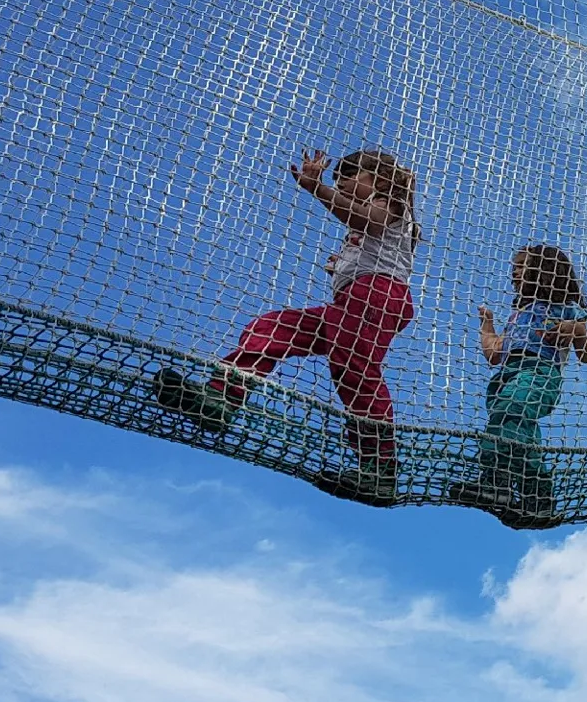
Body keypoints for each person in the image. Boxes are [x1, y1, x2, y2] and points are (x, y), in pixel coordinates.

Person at [154, 147, 419, 495]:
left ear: (381, 180)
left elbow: (364, 219)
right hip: (352, 300)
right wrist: (340, 266)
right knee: (274, 326)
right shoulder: (365, 223)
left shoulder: (393, 207)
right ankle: (221, 397)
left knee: (354, 369)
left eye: (350, 177)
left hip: (378, 296)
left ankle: (380, 466)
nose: (342, 185)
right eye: (338, 179)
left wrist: (316, 187)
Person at [471, 244, 587, 526]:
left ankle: (495, 484)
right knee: (519, 434)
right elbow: (494, 354)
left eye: (521, 265)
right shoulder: (518, 315)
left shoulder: (566, 310)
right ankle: (539, 502)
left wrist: (575, 331)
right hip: (506, 376)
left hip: (540, 372)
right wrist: (487, 326)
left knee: (510, 415)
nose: (514, 271)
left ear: (546, 272)